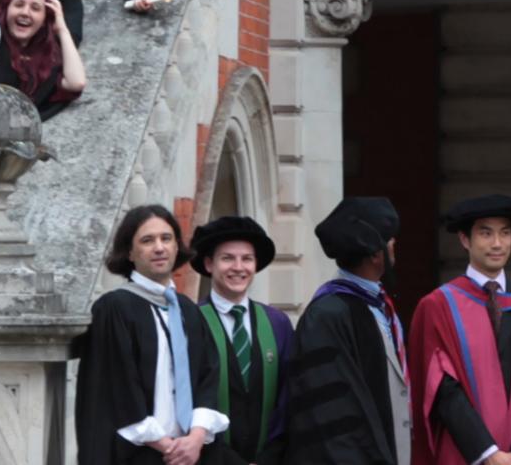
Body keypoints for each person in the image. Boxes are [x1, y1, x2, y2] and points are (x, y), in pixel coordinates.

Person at [407, 194, 511, 465]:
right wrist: (487, 453)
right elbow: (441, 387)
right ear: (465, 240)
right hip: (463, 454)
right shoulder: (439, 306)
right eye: (486, 234)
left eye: (505, 233)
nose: (498, 244)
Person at [75, 204, 230, 465]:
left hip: (193, 454)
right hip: (138, 454)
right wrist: (168, 447)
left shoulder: (188, 311)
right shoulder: (115, 308)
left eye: (166, 238)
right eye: (147, 240)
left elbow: (208, 377)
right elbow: (116, 389)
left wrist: (195, 438)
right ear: (130, 253)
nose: (159, 247)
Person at [284, 196, 412, 465]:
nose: (394, 245)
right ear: (377, 254)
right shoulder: (327, 315)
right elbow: (330, 416)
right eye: (390, 240)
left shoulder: (379, 306)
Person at [188, 215, 293, 465]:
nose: (238, 267)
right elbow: (185, 401)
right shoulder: (189, 322)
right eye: (227, 258)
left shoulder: (278, 323)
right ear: (209, 264)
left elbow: (289, 397)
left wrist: (271, 457)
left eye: (247, 258)